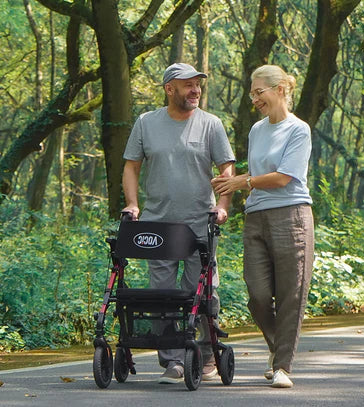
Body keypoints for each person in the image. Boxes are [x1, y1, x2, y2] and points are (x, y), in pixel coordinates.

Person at [122, 63, 236, 384]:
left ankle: (205, 354)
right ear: (169, 89)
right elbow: (131, 167)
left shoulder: (211, 125)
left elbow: (226, 169)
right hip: (157, 228)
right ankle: (172, 359)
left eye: (198, 84)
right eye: (188, 85)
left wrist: (223, 206)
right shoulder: (146, 123)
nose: (195, 90)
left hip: (200, 225)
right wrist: (133, 203)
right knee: (161, 294)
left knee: (201, 293)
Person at [212, 64, 314, 388]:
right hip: (256, 217)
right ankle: (277, 349)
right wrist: (235, 185)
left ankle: (283, 366)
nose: (254, 98)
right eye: (252, 93)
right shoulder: (256, 130)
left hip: (292, 216)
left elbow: (284, 177)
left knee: (290, 295)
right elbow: (254, 178)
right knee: (257, 294)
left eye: (259, 92)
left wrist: (244, 181)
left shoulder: (299, 130)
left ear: (280, 89)